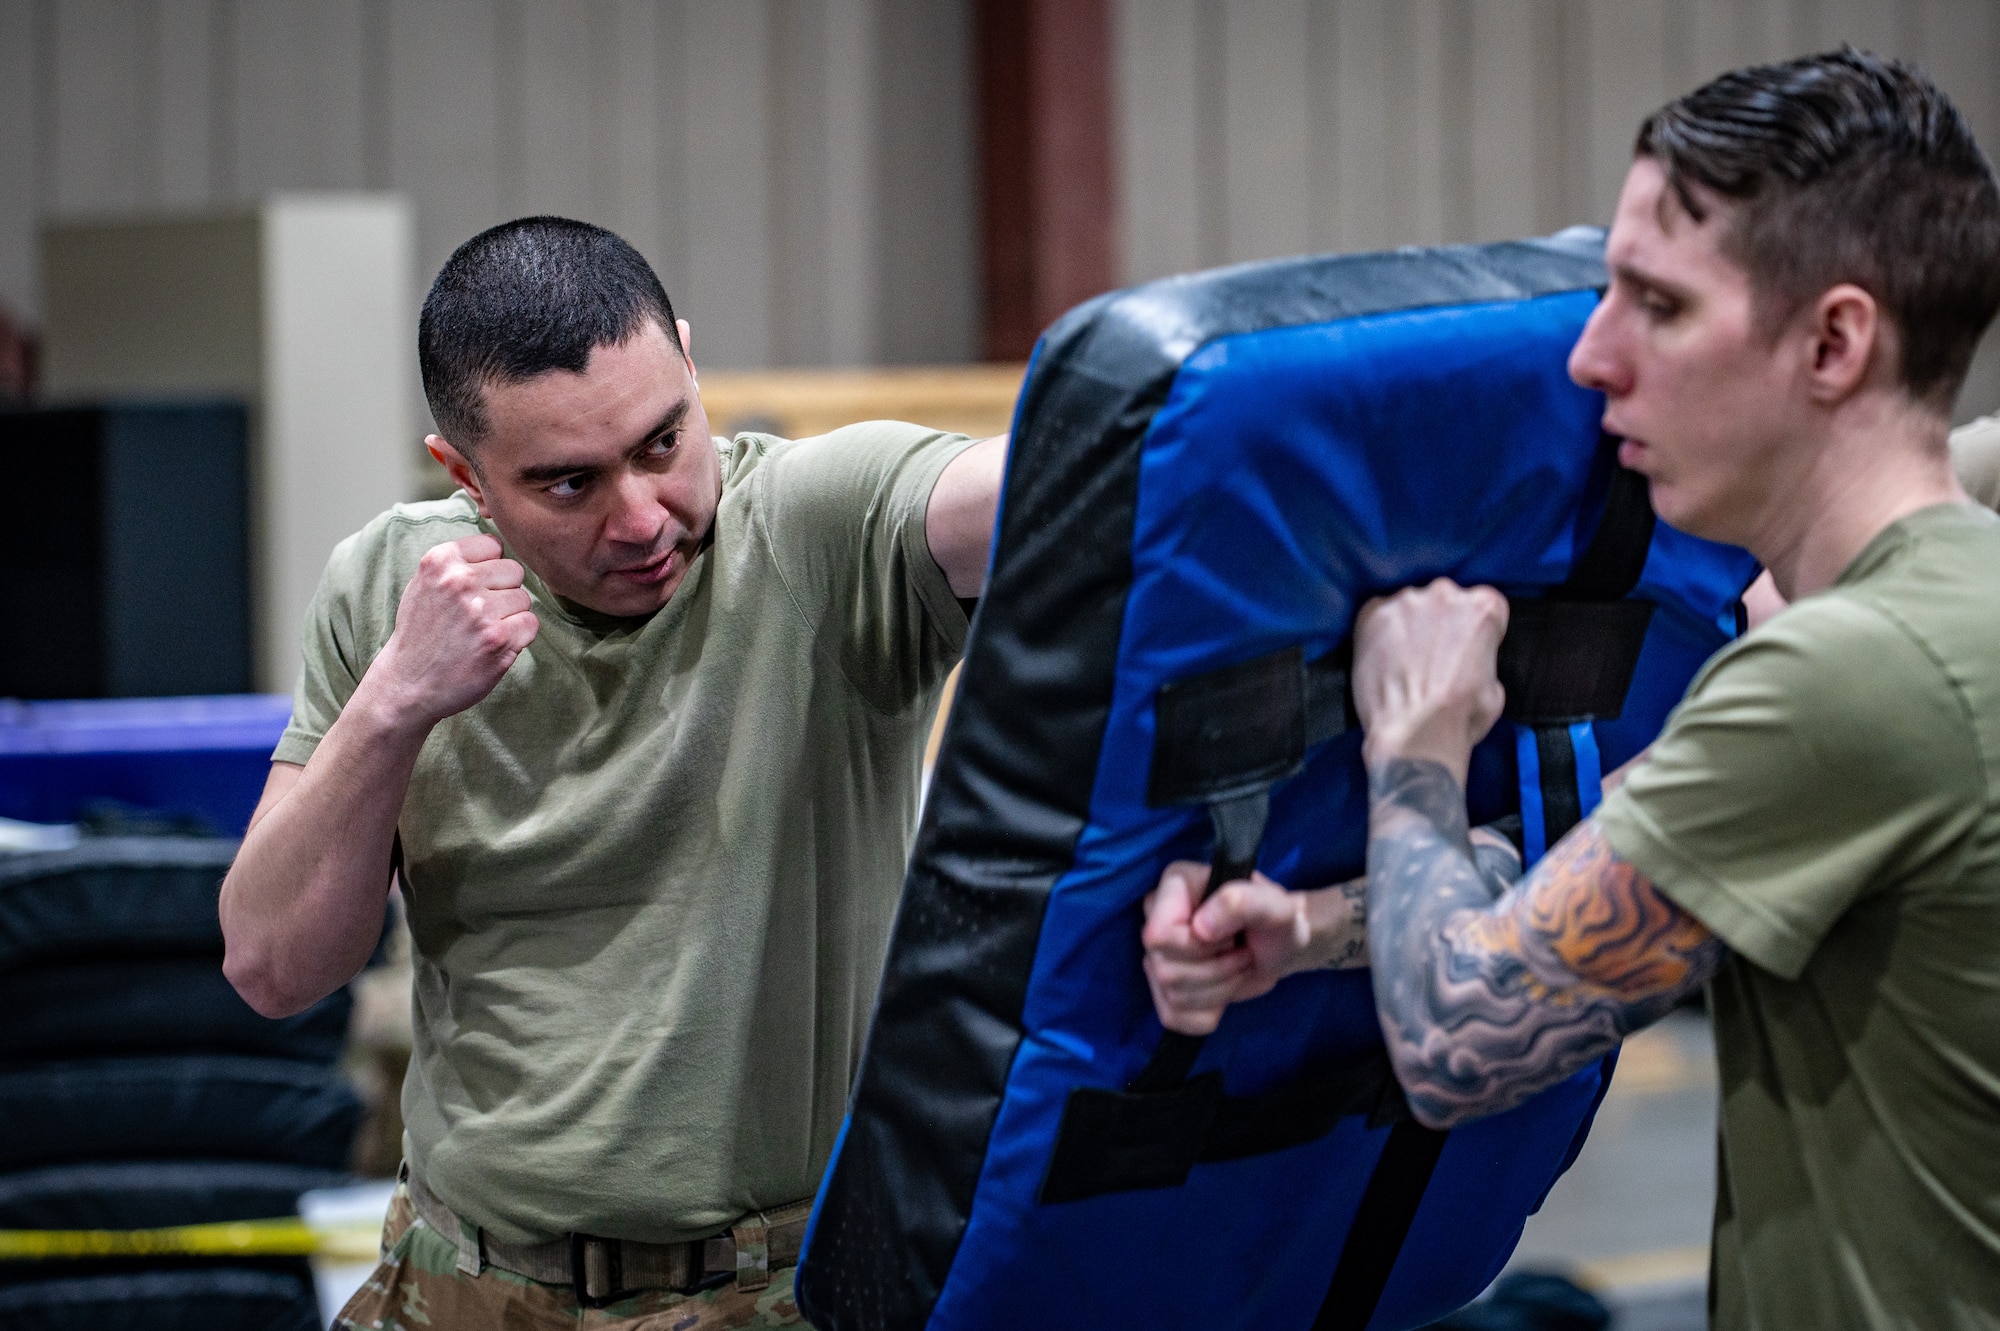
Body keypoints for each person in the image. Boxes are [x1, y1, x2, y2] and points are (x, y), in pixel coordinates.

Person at [1144, 50, 2000, 1329]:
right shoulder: (1941, 607)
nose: (1592, 357)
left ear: (1832, 341)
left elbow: (1455, 1040)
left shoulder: (1851, 673)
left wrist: (1417, 740)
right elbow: (1621, 883)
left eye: (1657, 306)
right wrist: (1313, 927)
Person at [219, 217, 1004, 1329]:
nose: (639, 517)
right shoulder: (393, 585)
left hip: (781, 1289)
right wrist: (394, 702)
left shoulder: (818, 533)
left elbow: (1049, 491)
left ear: (687, 359)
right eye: (568, 483)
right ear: (465, 476)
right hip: (461, 1278)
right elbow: (271, 966)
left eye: (661, 442)